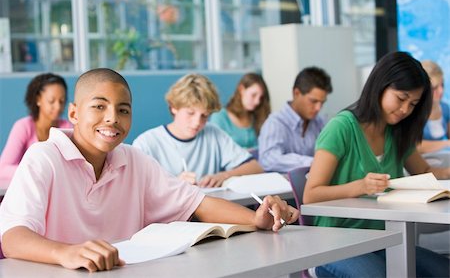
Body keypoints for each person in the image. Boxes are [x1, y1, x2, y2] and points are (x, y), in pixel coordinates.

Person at [0, 68, 299, 272]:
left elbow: (199, 203)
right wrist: (66, 253)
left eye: (123, 110)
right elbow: (12, 238)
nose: (112, 118)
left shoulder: (133, 160)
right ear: (74, 113)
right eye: (99, 107)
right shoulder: (43, 157)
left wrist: (256, 218)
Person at [303, 52, 450, 277]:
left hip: (383, 238)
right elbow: (310, 195)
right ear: (380, 86)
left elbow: (425, 172)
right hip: (334, 240)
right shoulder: (341, 128)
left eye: (413, 104)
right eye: (401, 99)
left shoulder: (398, 130)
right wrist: (360, 187)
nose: (405, 110)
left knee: (443, 270)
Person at [133, 73, 264, 188]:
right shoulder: (147, 143)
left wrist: (223, 176)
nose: (197, 123)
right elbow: (135, 189)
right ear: (174, 107)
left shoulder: (213, 134)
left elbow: (255, 167)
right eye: (190, 113)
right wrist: (172, 185)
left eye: (205, 115)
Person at [258, 67, 333, 173]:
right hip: (284, 187)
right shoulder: (275, 123)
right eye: (313, 101)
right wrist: (314, 162)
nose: (318, 108)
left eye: (322, 102)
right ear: (296, 93)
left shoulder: (320, 122)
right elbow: (268, 160)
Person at [0, 73, 71, 184]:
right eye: (51, 101)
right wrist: (36, 171)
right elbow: (3, 169)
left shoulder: (68, 128)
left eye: (61, 101)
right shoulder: (23, 127)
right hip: (27, 187)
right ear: (38, 99)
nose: (58, 107)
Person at [209, 72, 270, 149]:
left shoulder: (257, 116)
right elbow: (217, 149)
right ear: (241, 90)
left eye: (260, 98)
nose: (257, 102)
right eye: (253, 95)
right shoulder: (220, 117)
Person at [417, 60, 450, 153]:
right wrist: (446, 144)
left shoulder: (445, 108)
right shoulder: (414, 111)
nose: (441, 91)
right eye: (434, 88)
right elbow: (413, 147)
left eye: (442, 85)